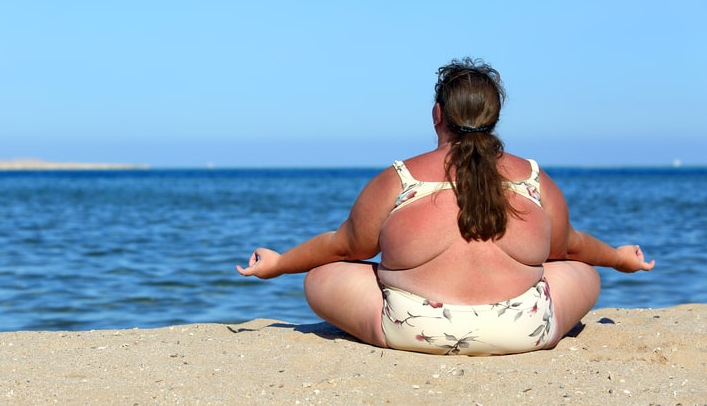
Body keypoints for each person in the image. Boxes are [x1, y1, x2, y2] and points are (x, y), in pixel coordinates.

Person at [236, 57, 655, 356]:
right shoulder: (532, 178)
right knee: (582, 271)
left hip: (415, 329)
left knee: (321, 276)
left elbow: (346, 247)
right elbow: (570, 246)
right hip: (523, 330)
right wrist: (617, 258)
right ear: (494, 118)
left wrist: (281, 263)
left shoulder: (400, 179)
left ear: (437, 113)